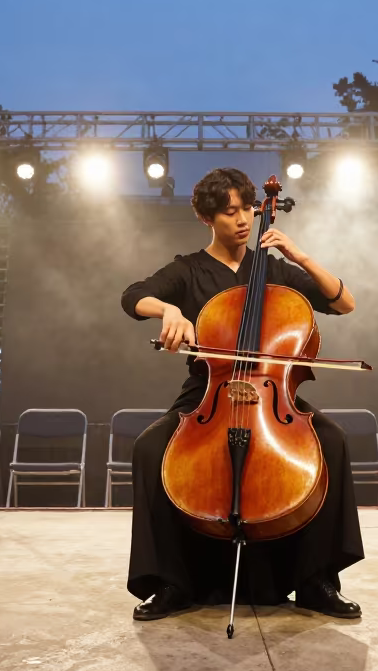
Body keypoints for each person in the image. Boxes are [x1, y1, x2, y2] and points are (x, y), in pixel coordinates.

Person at [121, 167, 365, 621]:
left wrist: (301, 255)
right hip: (207, 393)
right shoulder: (188, 269)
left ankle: (316, 581)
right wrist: (170, 309)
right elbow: (134, 296)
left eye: (248, 209)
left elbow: (343, 302)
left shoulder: (272, 268)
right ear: (207, 218)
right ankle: (172, 583)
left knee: (332, 441)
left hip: (274, 392)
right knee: (149, 447)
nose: (242, 220)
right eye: (229, 211)